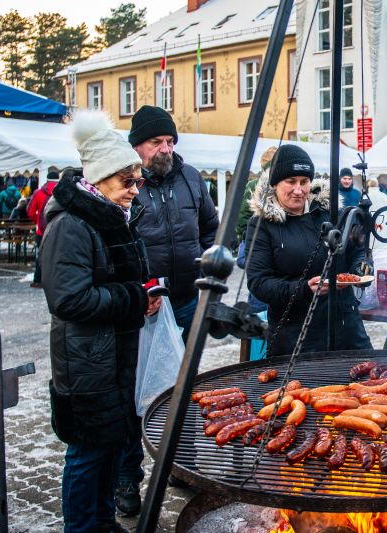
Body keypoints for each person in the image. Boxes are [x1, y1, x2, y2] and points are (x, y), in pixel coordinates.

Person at [39, 110, 159, 533]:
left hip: (113, 355)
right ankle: (82, 528)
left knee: (109, 448)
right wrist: (132, 298)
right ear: (101, 177)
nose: (134, 189)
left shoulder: (110, 215)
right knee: (87, 454)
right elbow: (68, 298)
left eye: (137, 180)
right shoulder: (71, 224)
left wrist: (144, 293)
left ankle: (103, 523)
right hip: (86, 360)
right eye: (127, 180)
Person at [119, 105, 219, 513]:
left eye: (170, 141)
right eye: (157, 142)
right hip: (144, 307)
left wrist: (209, 259)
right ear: (137, 146)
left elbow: (211, 226)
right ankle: (127, 479)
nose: (166, 149)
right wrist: (138, 289)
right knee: (138, 392)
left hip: (186, 299)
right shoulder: (126, 183)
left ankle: (182, 463)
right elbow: (117, 245)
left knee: (184, 387)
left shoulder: (191, 178)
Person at [246, 144, 373, 356]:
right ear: (275, 183)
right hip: (296, 335)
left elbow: (356, 249)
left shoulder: (330, 213)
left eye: (304, 182)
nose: (299, 190)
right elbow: (259, 283)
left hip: (346, 327)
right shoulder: (262, 225)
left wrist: (361, 268)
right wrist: (304, 288)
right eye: (291, 182)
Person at [235, 147, 278, 315]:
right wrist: (250, 235)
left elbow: (241, 217)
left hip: (259, 244)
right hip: (261, 243)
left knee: (259, 285)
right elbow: (243, 216)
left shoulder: (254, 184)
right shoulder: (256, 185)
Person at [27, 171, 60, 289]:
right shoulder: (62, 192)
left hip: (41, 230)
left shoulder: (38, 193)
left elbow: (30, 211)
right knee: (57, 255)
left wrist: (37, 221)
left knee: (40, 255)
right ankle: (55, 280)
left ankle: (38, 280)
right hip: (58, 229)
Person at [365, 178, 387, 248]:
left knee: (371, 244)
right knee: (383, 247)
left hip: (370, 224)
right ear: (377, 185)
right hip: (383, 225)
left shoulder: (366, 196)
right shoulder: (383, 196)